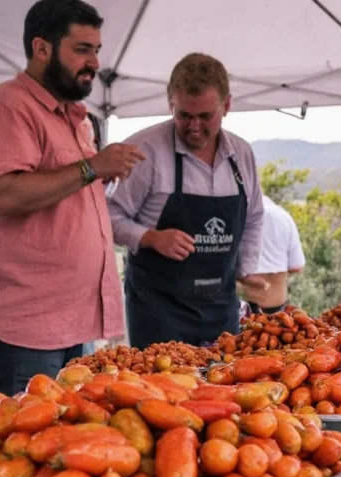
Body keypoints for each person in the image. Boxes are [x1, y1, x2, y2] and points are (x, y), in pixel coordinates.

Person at [0, 0, 145, 416]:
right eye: (82, 50)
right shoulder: (6, 107)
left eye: (96, 50)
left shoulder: (74, 118)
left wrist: (97, 176)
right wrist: (93, 167)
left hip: (67, 322)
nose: (95, 63)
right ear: (42, 48)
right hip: (14, 326)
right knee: (2, 445)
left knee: (52, 445)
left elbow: (61, 190)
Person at [108, 53, 266, 348]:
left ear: (226, 106)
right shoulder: (144, 150)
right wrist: (151, 237)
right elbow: (107, 216)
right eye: (183, 115)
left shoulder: (241, 154)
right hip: (158, 309)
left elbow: (254, 216)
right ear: (171, 104)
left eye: (205, 116)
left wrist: (247, 268)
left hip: (221, 306)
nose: (194, 126)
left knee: (223, 376)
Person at [241, 194, 305, 314]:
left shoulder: (238, 217)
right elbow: (297, 266)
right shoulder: (284, 217)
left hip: (243, 305)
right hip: (276, 303)